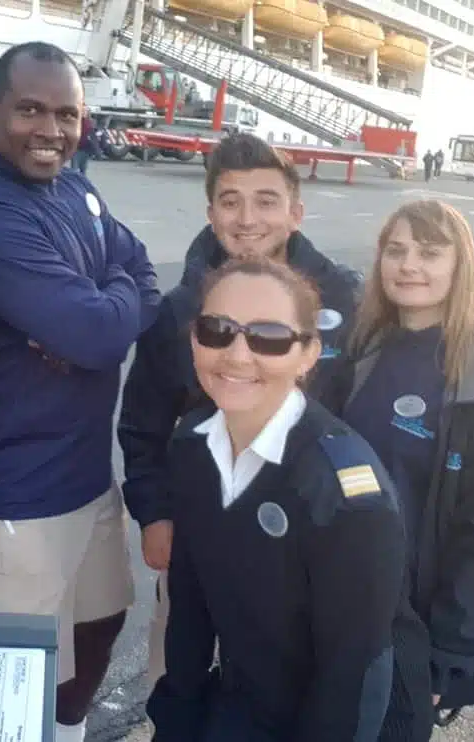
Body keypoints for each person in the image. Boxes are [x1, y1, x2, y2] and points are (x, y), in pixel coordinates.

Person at [0, 41, 160, 742]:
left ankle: (65, 733)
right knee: (15, 672)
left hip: (86, 477)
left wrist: (100, 305)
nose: (52, 130)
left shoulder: (72, 185)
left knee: (102, 619)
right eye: (30, 109)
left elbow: (139, 272)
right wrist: (96, 316)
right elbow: (97, 336)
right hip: (12, 492)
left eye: (67, 114)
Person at [118, 133, 361, 684]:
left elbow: (362, 415)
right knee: (181, 670)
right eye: (231, 201)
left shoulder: (344, 301)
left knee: (295, 681)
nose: (248, 219)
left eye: (266, 201)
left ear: (295, 213)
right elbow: (143, 423)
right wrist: (155, 513)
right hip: (200, 529)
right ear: (211, 211)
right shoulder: (180, 309)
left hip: (310, 535)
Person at [147, 255, 405, 741]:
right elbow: (190, 598)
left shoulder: (345, 498)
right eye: (217, 329)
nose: (238, 355)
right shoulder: (191, 445)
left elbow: (352, 674)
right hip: (239, 700)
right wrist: (176, 719)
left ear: (308, 354)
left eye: (268, 337)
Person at [334, 201, 474, 740]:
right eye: (397, 250)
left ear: (461, 267)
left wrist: (447, 656)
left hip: (410, 631)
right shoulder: (363, 351)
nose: (409, 265)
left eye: (430, 253)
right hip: (336, 605)